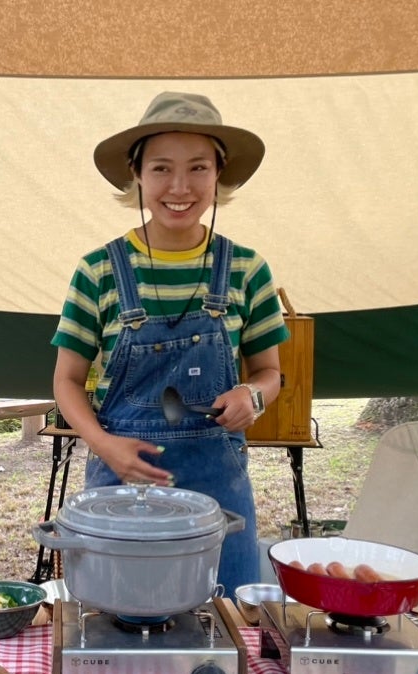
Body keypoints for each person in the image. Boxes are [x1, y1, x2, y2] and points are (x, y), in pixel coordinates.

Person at [51, 91, 289, 591]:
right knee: (118, 612)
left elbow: (271, 372)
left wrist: (253, 395)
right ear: (136, 173)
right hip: (122, 481)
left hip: (219, 491)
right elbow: (67, 381)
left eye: (198, 168)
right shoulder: (98, 270)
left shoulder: (248, 269)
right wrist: (104, 446)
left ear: (219, 174)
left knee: (225, 617)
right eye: (161, 168)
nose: (180, 187)